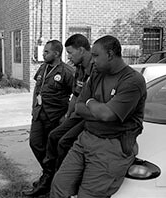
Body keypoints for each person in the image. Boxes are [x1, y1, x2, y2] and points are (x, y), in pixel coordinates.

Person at [50, 35, 147, 198]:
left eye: (96, 55)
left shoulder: (132, 80)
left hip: (112, 146)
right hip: (86, 138)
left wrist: (93, 105)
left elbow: (108, 114)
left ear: (110, 54)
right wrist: (95, 106)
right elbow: (80, 106)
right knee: (59, 186)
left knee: (89, 195)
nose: (93, 60)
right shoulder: (97, 73)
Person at [23, 40, 74, 197]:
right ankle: (49, 174)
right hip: (39, 114)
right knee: (35, 143)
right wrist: (34, 109)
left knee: (53, 150)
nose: (43, 54)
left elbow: (76, 95)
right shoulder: (43, 68)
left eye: (46, 52)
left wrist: (66, 116)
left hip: (55, 117)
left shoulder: (67, 71)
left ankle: (48, 179)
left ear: (56, 53)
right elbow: (37, 90)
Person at [44, 34, 93, 176]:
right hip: (78, 114)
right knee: (53, 136)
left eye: (70, 53)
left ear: (82, 50)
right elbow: (75, 96)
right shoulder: (79, 68)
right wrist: (67, 116)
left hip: (89, 116)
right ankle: (50, 176)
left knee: (64, 142)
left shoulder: (96, 69)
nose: (69, 57)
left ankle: (62, 177)